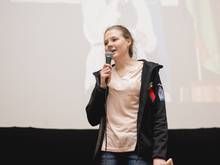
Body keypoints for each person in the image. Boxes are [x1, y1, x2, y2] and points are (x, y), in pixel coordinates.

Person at [85, 25, 168, 165]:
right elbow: (92, 118)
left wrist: (159, 155)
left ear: (128, 41)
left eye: (114, 39)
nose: (109, 44)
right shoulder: (103, 76)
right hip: (108, 151)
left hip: (138, 151)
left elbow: (159, 116)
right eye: (106, 43)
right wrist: (101, 86)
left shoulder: (149, 73)